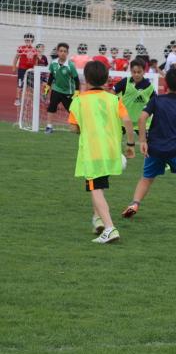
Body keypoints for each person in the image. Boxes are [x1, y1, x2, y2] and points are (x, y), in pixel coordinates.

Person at [121, 68, 176, 223]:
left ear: (166, 84)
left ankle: (134, 204)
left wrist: (143, 141)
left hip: (154, 148)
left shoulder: (157, 100)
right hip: (175, 150)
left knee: (146, 178)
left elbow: (142, 119)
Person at [68, 60, 136, 244]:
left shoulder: (79, 101)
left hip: (93, 153)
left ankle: (109, 228)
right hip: (111, 151)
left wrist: (84, 128)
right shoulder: (114, 99)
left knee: (95, 188)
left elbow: (74, 128)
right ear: (106, 79)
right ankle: (97, 219)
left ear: (86, 79)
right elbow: (128, 121)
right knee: (99, 185)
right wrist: (130, 145)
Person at [44, 42, 80, 134]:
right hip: (56, 89)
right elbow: (52, 75)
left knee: (72, 110)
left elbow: (76, 79)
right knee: (51, 107)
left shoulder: (70, 65)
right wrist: (47, 87)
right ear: (57, 52)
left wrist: (77, 91)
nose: (62, 53)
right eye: (61, 51)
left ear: (67, 53)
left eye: (65, 51)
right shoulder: (53, 63)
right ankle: (49, 126)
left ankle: (79, 126)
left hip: (68, 92)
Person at [113, 59, 156, 135]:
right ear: (131, 71)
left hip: (142, 122)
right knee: (115, 141)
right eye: (134, 72)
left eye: (139, 72)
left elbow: (155, 101)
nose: (136, 74)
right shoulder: (125, 82)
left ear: (144, 72)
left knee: (148, 144)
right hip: (124, 121)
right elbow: (112, 92)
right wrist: (116, 102)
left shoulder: (149, 86)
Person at [13, 32, 38, 106]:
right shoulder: (21, 48)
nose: (28, 42)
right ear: (25, 40)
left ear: (32, 41)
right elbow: (16, 57)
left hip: (31, 70)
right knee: (20, 84)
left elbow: (36, 59)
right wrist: (14, 66)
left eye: (29, 40)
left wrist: (35, 68)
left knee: (30, 85)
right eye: (26, 40)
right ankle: (18, 99)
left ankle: (29, 100)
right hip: (22, 69)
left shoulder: (34, 49)